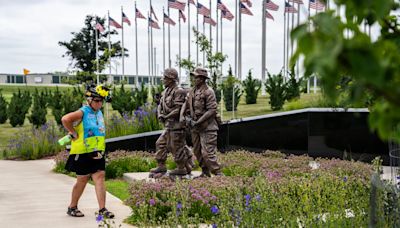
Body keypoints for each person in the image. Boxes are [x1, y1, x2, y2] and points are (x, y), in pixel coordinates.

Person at [62, 84, 114, 218]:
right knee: (82, 180)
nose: (99, 103)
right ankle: (72, 207)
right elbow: (65, 119)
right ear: (89, 100)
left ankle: (102, 209)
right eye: (96, 101)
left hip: (97, 151)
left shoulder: (99, 113)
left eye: (101, 101)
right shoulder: (83, 112)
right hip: (83, 151)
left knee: (100, 177)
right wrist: (72, 132)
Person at [150, 68, 194, 178]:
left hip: (178, 126)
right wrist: (160, 114)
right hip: (169, 125)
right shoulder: (165, 91)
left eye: (165, 78)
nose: (163, 80)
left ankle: (181, 168)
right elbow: (160, 105)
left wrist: (166, 116)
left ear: (171, 79)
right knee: (160, 143)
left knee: (177, 146)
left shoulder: (179, 91)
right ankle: (161, 165)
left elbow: (178, 109)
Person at [180, 67, 222, 178]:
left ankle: (218, 174)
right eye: (194, 76)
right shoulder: (193, 90)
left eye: (196, 77)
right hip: (195, 127)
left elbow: (212, 110)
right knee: (197, 151)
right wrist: (182, 115)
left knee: (207, 153)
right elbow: (186, 103)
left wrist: (199, 121)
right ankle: (205, 172)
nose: (194, 79)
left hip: (207, 127)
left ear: (202, 79)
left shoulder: (209, 91)